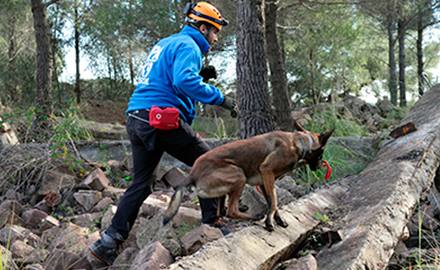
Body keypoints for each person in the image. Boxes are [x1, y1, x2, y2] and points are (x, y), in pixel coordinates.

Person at [89, 1, 237, 266]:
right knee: (212, 164)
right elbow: (182, 81)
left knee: (142, 183)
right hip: (160, 119)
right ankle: (212, 224)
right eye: (215, 32)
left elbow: (166, 78)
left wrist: (200, 75)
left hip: (136, 117)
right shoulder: (190, 46)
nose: (215, 38)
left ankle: (108, 242)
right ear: (203, 28)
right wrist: (221, 99)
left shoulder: (167, 43)